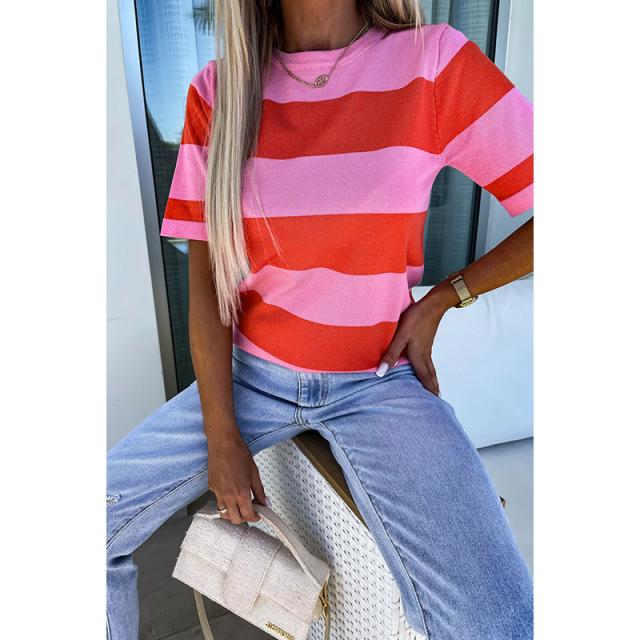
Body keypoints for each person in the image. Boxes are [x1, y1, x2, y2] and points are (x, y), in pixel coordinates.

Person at [107, 1, 534, 638]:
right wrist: (222, 434)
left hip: (377, 381)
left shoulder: (433, 63)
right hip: (250, 379)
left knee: (496, 620)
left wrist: (449, 294)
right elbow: (207, 286)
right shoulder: (219, 93)